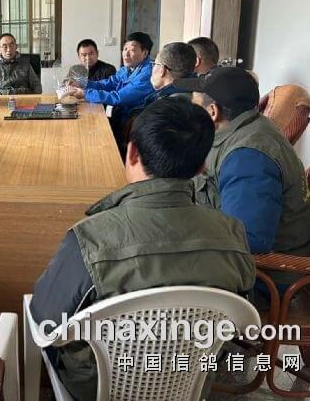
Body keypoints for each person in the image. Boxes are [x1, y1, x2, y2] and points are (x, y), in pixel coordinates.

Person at [30, 98, 255, 400]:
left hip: (98, 386)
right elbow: (239, 318)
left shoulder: (89, 239)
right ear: (201, 166)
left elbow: (46, 318)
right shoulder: (233, 233)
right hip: (190, 379)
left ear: (132, 152)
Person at [174, 68, 310, 267]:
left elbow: (247, 240)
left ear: (213, 112)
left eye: (195, 106)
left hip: (261, 272)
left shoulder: (247, 159)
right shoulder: (246, 125)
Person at [66, 32, 155, 126]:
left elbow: (118, 97)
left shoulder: (148, 74)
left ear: (145, 53)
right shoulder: (127, 69)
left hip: (132, 122)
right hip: (120, 115)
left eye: (132, 50)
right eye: (125, 49)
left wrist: (85, 94)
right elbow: (109, 84)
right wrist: (81, 83)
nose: (126, 54)